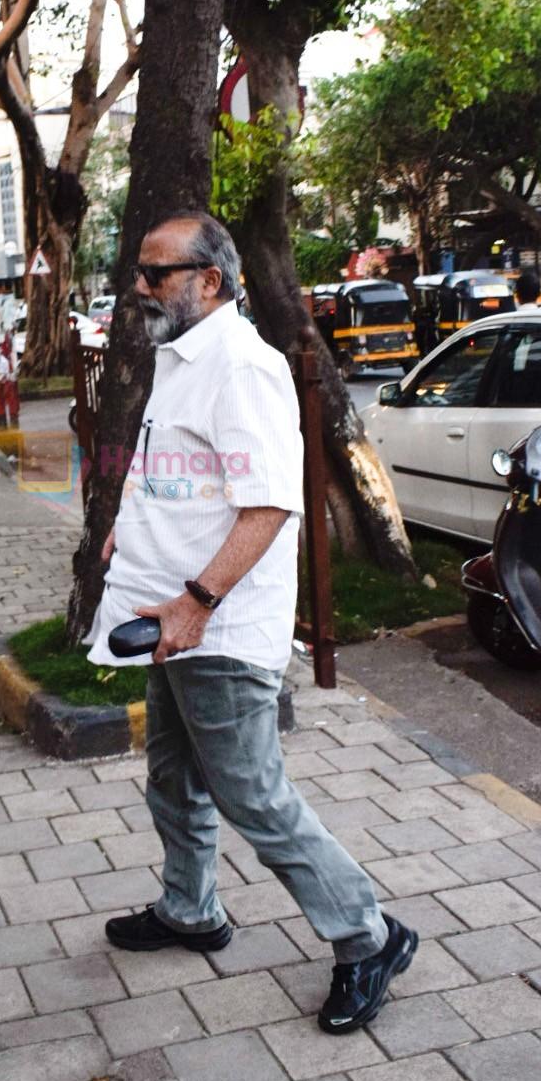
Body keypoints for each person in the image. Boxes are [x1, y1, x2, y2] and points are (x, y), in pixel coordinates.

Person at [87, 214, 417, 1035]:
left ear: (210, 279)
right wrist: (129, 531)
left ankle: (366, 936)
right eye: (139, 270)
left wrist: (197, 602)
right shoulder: (184, 359)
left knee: (253, 796)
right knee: (174, 776)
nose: (138, 286)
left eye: (154, 272)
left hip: (216, 627)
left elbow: (269, 504)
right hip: (170, 618)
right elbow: (190, 479)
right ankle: (190, 909)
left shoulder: (242, 366)